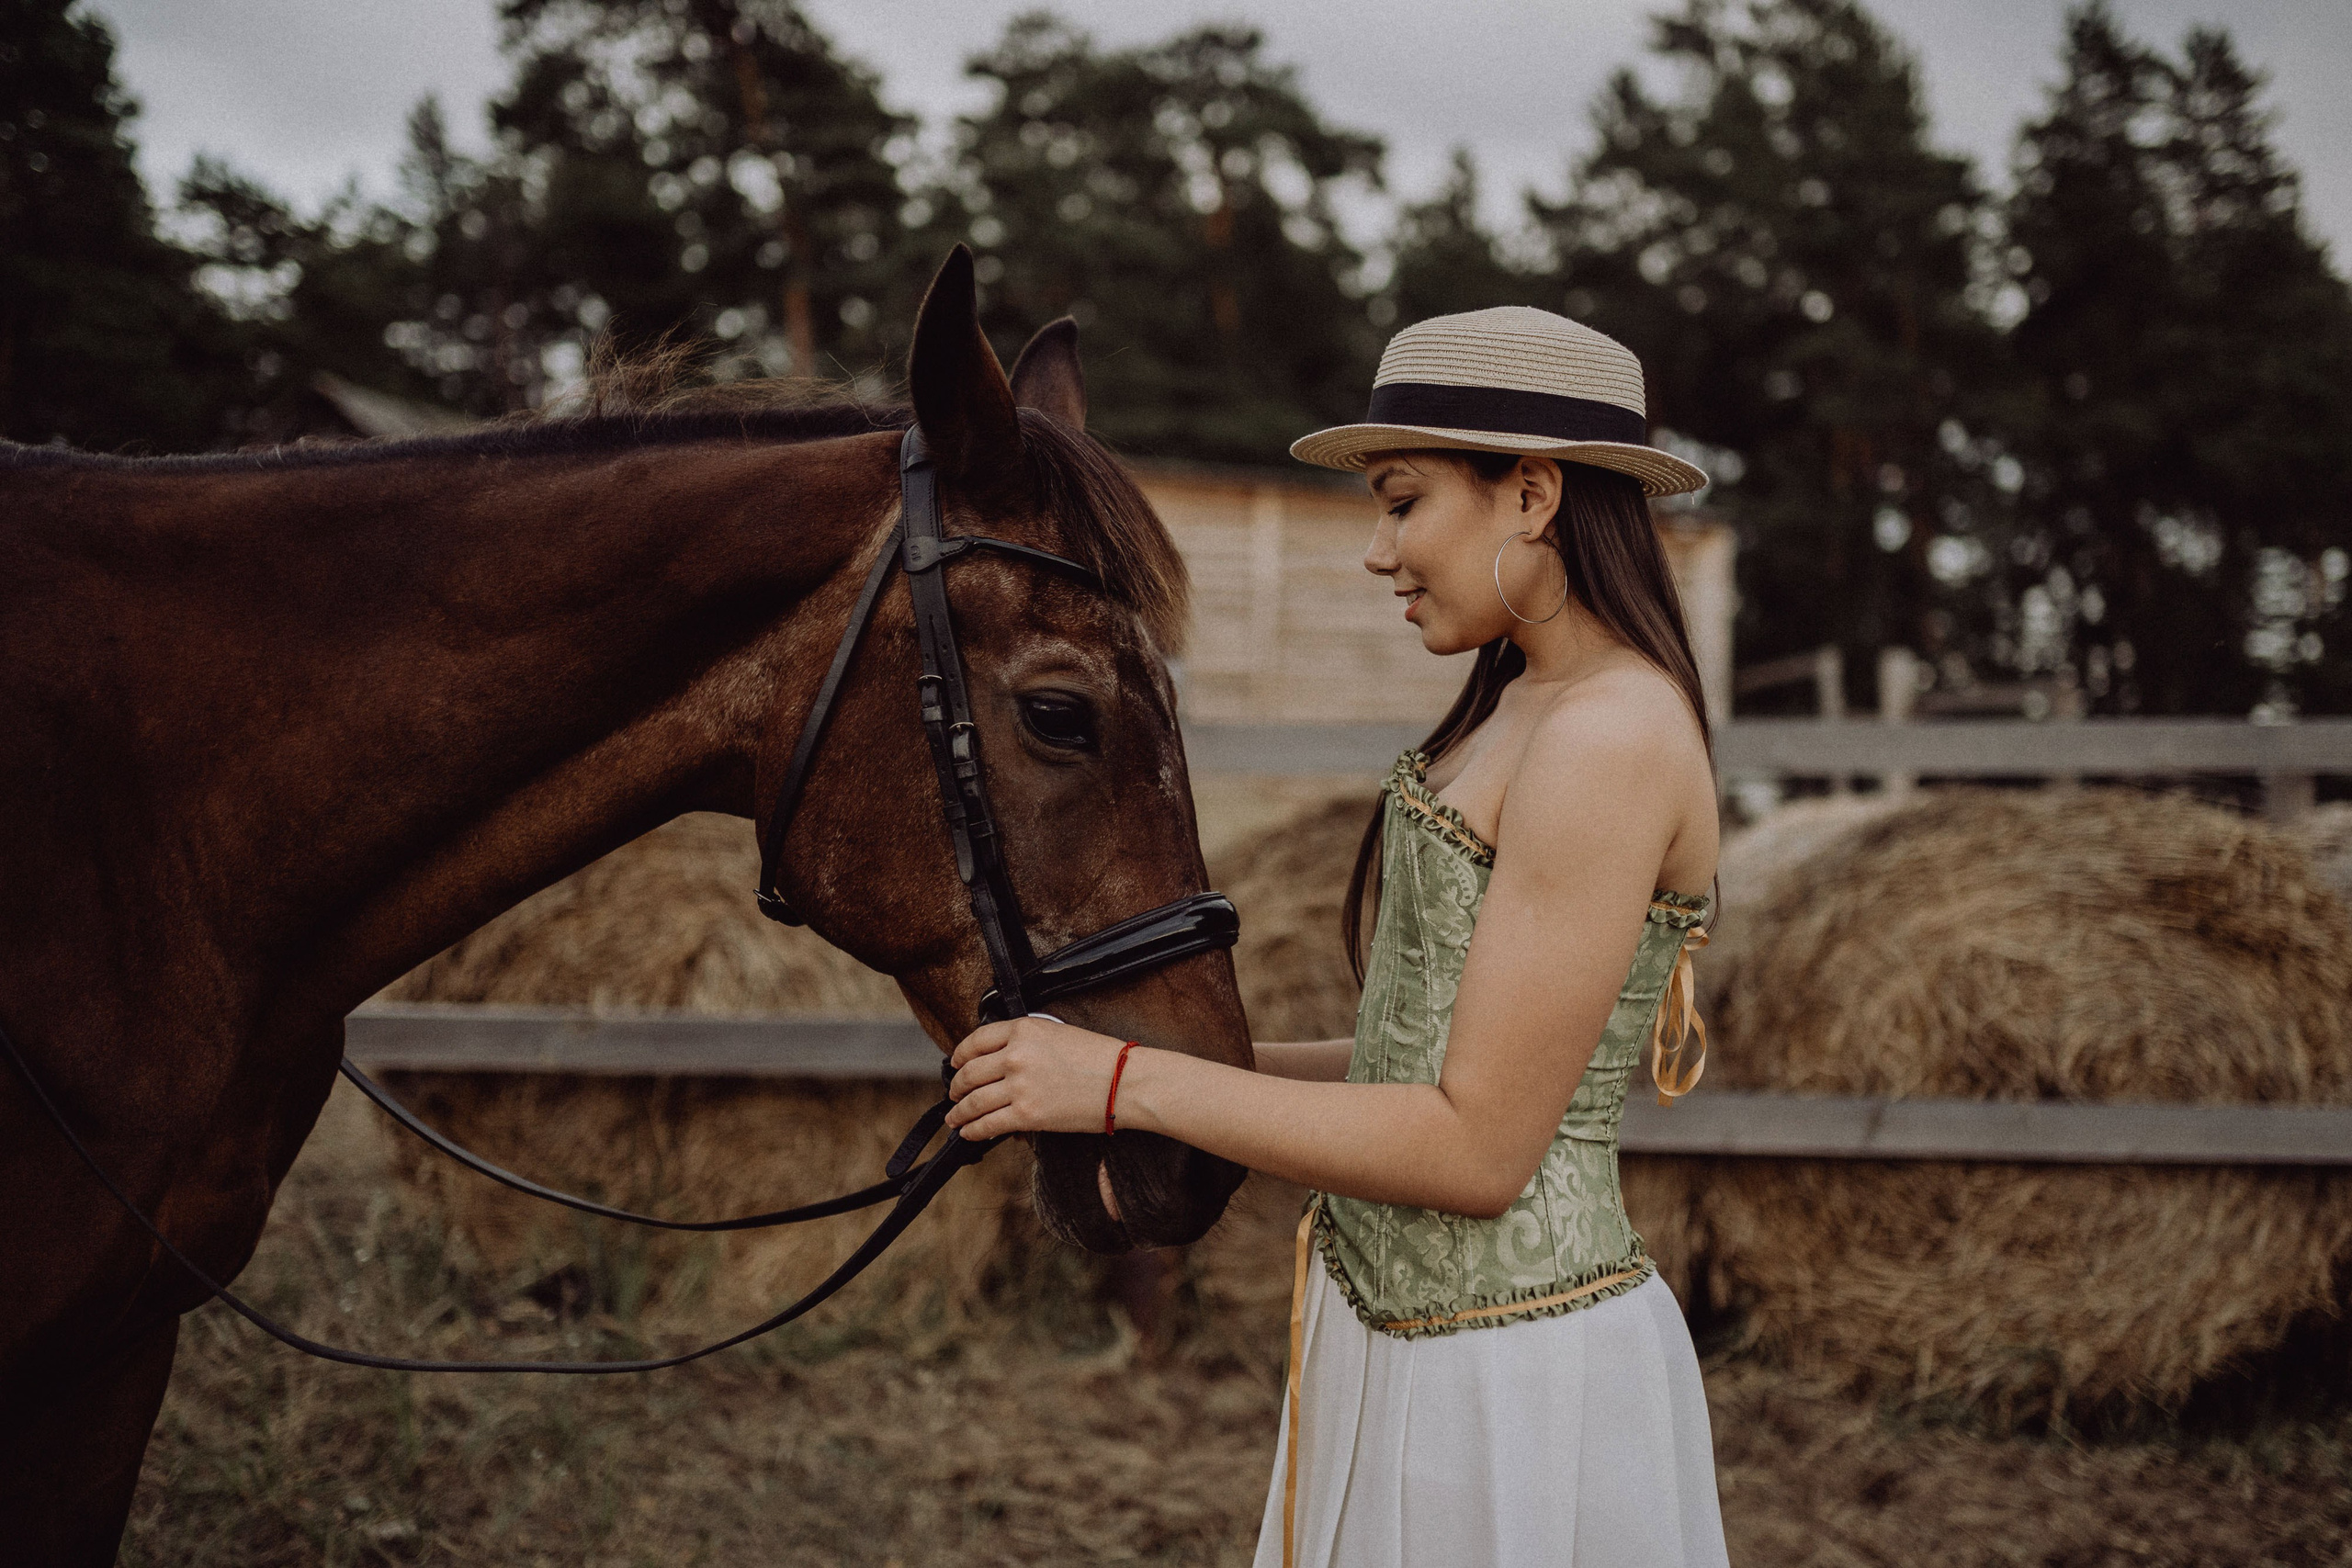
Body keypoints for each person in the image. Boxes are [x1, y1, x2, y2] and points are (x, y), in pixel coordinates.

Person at [945, 306, 1732, 1568]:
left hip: (1512, 1381)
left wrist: (1128, 1083)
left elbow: (1478, 1150)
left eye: (1402, 502)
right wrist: (1122, 1076)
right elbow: (1409, 1067)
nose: (1377, 552)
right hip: (1394, 1343)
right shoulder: (1523, 706)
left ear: (1533, 495)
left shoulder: (1612, 735)